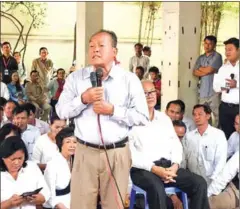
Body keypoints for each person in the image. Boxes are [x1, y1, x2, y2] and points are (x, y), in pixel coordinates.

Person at [56, 29, 149, 209]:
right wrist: (83, 99)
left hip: (117, 153)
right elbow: (61, 111)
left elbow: (142, 117)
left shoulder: (128, 80)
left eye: (100, 46)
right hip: (84, 152)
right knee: (81, 205)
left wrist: (113, 110)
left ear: (114, 51)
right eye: (91, 46)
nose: (95, 50)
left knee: (114, 205)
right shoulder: (76, 78)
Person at [129, 80, 210, 209]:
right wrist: (155, 169)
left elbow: (176, 145)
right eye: (145, 93)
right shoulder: (131, 120)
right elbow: (130, 155)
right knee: (156, 188)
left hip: (168, 167)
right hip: (144, 169)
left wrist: (175, 165)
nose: (150, 96)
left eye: (152, 92)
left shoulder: (164, 119)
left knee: (199, 183)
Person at [0, 136, 50, 209]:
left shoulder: (31, 167)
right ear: (3, 158)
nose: (17, 162)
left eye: (20, 158)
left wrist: (38, 198)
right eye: (12, 159)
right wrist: (8, 203)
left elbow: (46, 192)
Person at [184, 104, 227, 185]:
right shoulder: (189, 136)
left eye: (200, 114)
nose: (196, 117)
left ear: (208, 116)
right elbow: (184, 159)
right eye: (194, 115)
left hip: (210, 181)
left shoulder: (218, 135)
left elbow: (220, 161)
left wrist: (214, 182)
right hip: (192, 180)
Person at [44, 127, 77, 209]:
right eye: (68, 142)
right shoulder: (53, 163)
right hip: (59, 205)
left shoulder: (77, 161)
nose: (72, 145)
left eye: (75, 142)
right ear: (61, 144)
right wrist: (58, 205)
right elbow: (49, 192)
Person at [193, 35, 222, 127]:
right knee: (202, 114)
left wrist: (202, 69)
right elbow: (195, 72)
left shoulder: (217, 56)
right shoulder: (200, 58)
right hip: (203, 91)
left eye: (210, 44)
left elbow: (209, 70)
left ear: (214, 45)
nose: (207, 46)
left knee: (216, 115)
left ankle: (216, 134)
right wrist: (208, 70)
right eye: (205, 43)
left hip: (214, 92)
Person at [213, 37, 239, 139]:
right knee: (226, 135)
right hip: (225, 108)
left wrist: (236, 84)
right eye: (226, 50)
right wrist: (228, 85)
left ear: (238, 50)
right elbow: (216, 87)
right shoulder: (223, 68)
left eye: (230, 49)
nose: (227, 52)